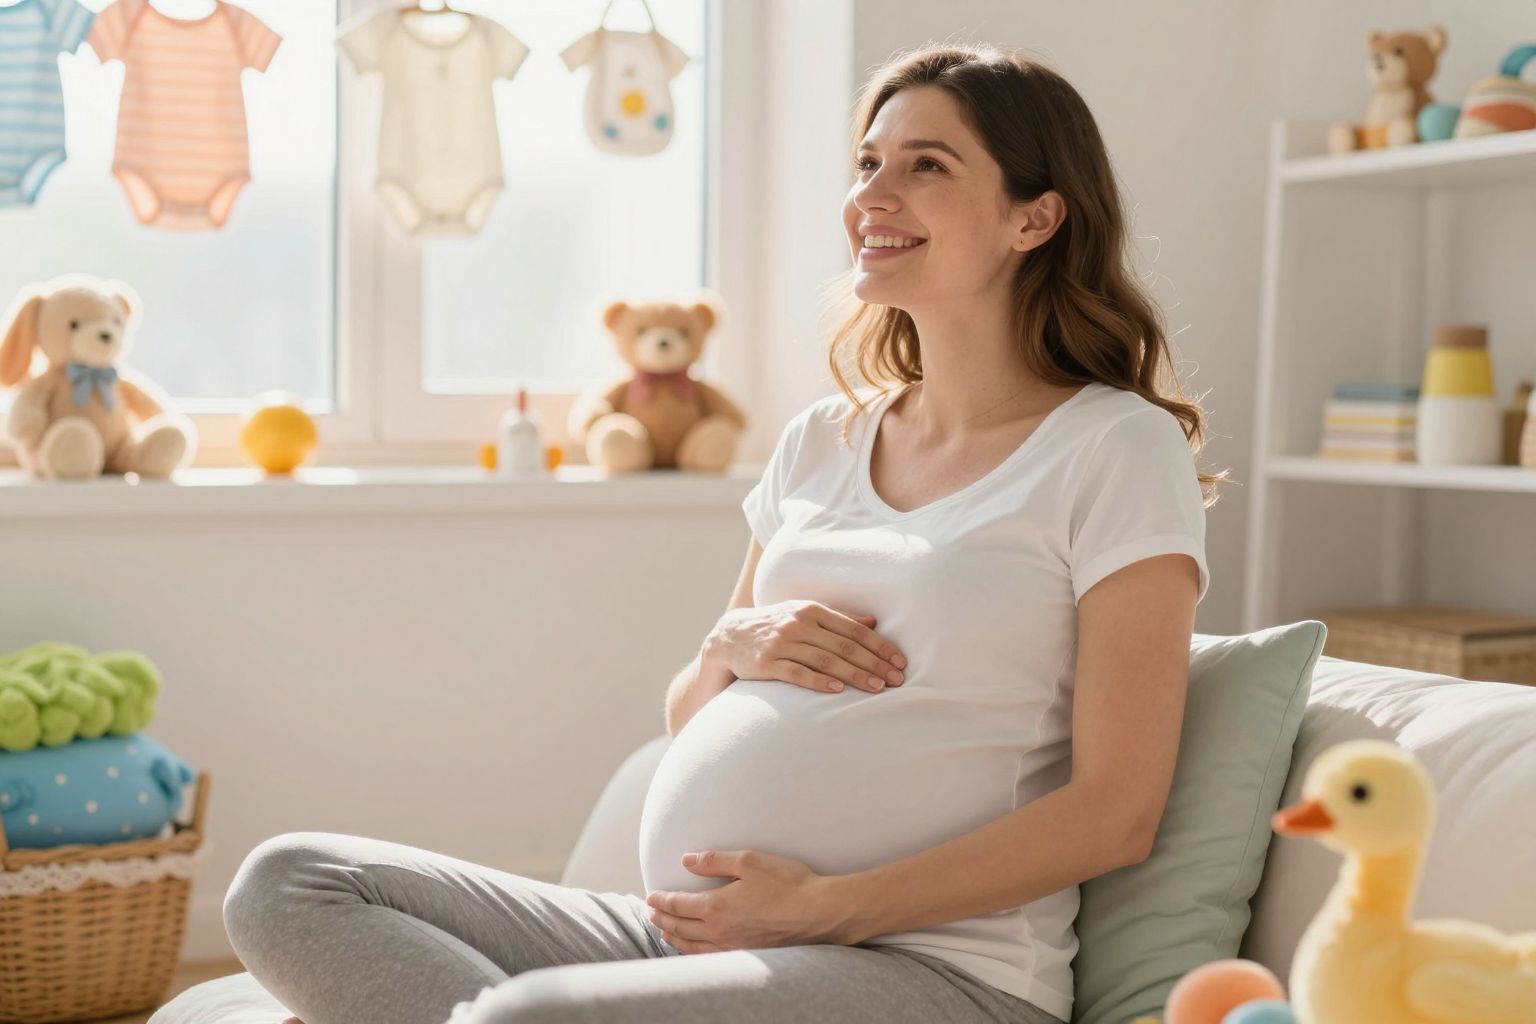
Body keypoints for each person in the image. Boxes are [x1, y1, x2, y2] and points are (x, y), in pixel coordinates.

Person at [223, 42, 1227, 1024]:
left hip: (934, 968)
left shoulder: (1113, 448)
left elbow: (1116, 809)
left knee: (531, 1018)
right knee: (291, 883)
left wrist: (830, 906)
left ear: (1036, 216)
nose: (874, 196)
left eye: (928, 166)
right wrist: (724, 645)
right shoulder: (822, 441)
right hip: (690, 933)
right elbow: (688, 717)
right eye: (869, 163)